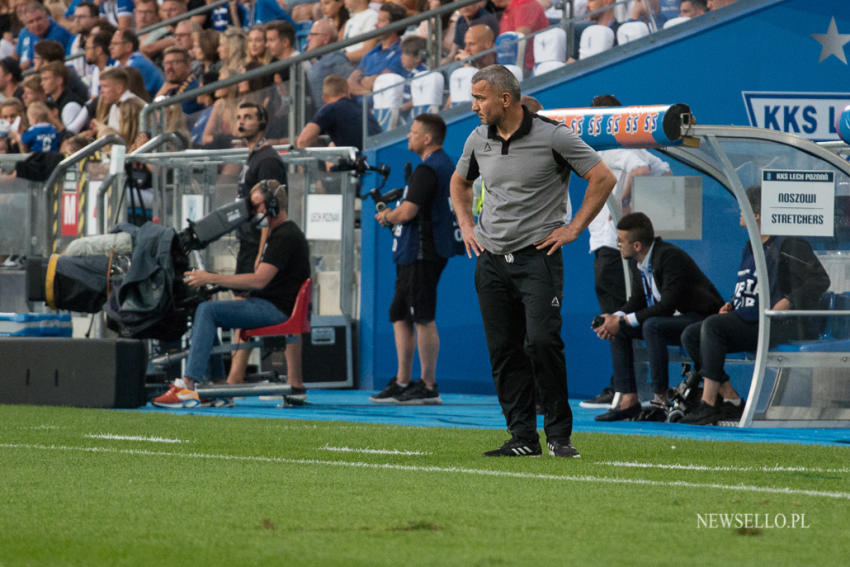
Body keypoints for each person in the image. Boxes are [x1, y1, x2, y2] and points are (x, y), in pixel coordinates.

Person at [450, 65, 616, 458]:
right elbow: (460, 182)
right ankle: (522, 437)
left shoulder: (554, 136)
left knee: (542, 342)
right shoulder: (477, 138)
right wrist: (466, 225)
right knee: (504, 351)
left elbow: (603, 178)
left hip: (537, 258)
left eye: (479, 98)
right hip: (490, 260)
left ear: (504, 99)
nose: (474, 106)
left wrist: (574, 228)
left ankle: (559, 435)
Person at [152, 180, 311, 408]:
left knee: (208, 310)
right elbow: (266, 279)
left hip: (276, 310)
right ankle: (216, 385)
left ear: (274, 206)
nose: (251, 212)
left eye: (256, 206)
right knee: (204, 306)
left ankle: (188, 384)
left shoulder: (285, 236)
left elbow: (259, 279)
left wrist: (211, 277)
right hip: (271, 303)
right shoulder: (279, 233)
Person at [679, 185, 830, 425]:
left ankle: (709, 403)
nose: (740, 212)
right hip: (750, 317)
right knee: (691, 335)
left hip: (778, 322)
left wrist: (789, 301)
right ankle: (729, 398)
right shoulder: (752, 246)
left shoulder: (788, 244)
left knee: (713, 327)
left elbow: (820, 280)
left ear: (757, 213)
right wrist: (732, 304)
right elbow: (752, 286)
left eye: (744, 207)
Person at [592, 212, 724, 421]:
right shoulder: (639, 261)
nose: (617, 244)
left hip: (701, 319)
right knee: (620, 330)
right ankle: (629, 399)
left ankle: (660, 400)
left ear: (637, 245)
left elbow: (666, 306)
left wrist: (623, 320)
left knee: (651, 325)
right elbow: (636, 302)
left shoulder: (669, 257)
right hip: (672, 321)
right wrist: (614, 318)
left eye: (621, 240)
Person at [369, 114, 458, 404]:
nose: (409, 136)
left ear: (427, 138)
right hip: (414, 250)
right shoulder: (441, 166)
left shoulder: (429, 169)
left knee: (421, 314)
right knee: (400, 312)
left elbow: (407, 212)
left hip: (422, 251)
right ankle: (403, 380)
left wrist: (386, 216)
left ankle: (428, 385)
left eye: (413, 132)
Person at [226, 101, 289, 385]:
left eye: (249, 117)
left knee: (244, 311)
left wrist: (263, 250)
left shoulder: (267, 160)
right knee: (242, 311)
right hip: (248, 242)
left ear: (262, 123)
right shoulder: (253, 156)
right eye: (239, 117)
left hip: (257, 245)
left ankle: (235, 377)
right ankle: (236, 375)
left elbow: (271, 208)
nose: (242, 121)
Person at [296, 74, 380, 149]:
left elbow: (302, 141)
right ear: (348, 93)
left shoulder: (330, 109)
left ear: (324, 98)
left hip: (359, 163)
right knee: (332, 145)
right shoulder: (361, 107)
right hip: (379, 158)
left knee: (330, 148)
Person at [346, 2, 406, 97]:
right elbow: (350, 83)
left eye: (381, 21)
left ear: (395, 25)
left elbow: (379, 84)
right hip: (361, 105)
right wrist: (367, 90)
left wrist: (362, 81)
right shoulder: (370, 54)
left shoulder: (402, 54)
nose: (376, 26)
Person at [304, 18, 354, 112]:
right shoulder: (320, 60)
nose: (308, 38)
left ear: (326, 39)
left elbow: (353, 85)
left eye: (312, 34)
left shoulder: (336, 59)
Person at [16, 2, 73, 70]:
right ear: (27, 25)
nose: (36, 24)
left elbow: (48, 65)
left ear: (46, 16)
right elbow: (31, 61)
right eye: (31, 22)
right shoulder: (33, 35)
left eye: (39, 19)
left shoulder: (57, 34)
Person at [110, 29, 165, 98]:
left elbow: (130, 95)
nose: (110, 47)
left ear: (128, 46)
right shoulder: (119, 64)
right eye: (111, 43)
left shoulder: (138, 64)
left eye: (115, 44)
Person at [39, 61, 88, 133]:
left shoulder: (70, 105)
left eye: (46, 79)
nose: (42, 83)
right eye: (42, 79)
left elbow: (69, 136)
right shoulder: (53, 102)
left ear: (59, 80)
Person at [155, 46, 202, 116]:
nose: (169, 67)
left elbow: (173, 120)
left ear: (188, 65)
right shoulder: (170, 87)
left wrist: (158, 96)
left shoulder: (191, 88)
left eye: (174, 62)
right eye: (166, 63)